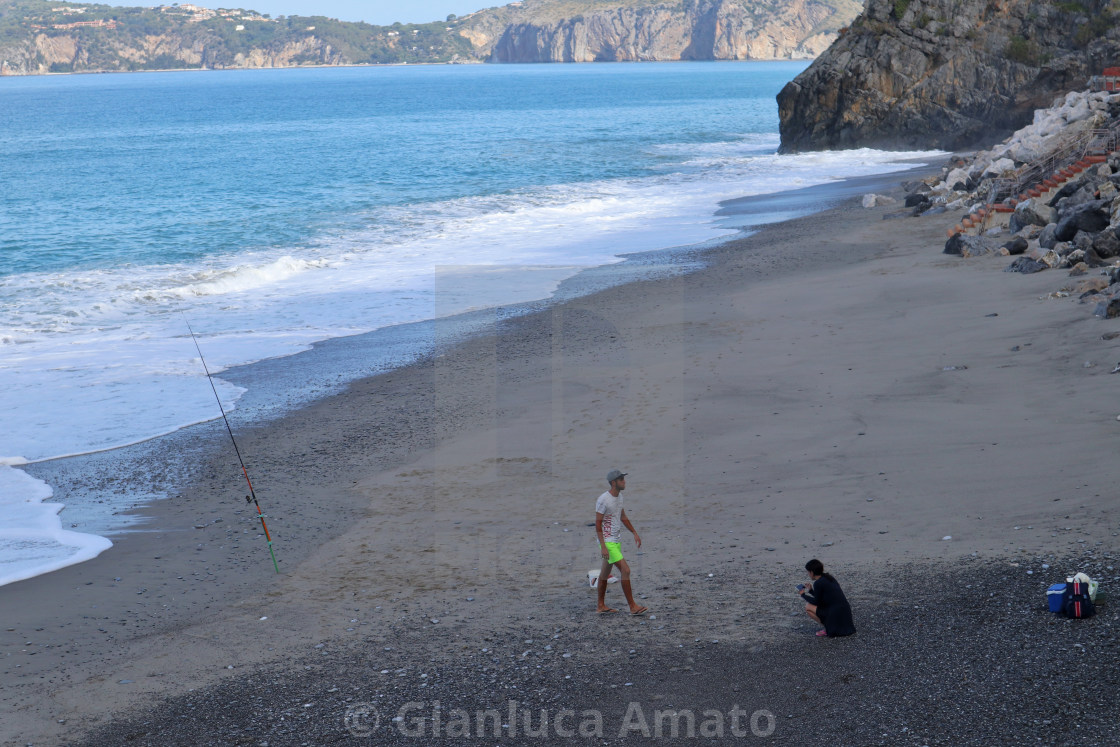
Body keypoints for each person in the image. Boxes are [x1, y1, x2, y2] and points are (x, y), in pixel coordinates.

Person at [594, 469, 648, 616]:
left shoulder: (619, 497)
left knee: (605, 573)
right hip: (608, 542)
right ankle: (632, 606)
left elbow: (622, 516)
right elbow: (598, 524)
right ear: (613, 483)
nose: (624, 482)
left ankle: (600, 606)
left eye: (623, 479)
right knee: (626, 570)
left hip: (616, 541)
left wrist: (634, 532)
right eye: (621, 479)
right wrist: (603, 546)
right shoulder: (603, 500)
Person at [798, 558, 855, 637]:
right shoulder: (828, 577)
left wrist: (803, 595)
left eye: (808, 572)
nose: (808, 574)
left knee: (808, 607)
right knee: (815, 606)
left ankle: (828, 628)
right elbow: (823, 597)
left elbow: (816, 602)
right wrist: (811, 590)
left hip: (835, 613)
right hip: (844, 611)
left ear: (812, 572)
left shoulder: (818, 583)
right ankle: (831, 626)